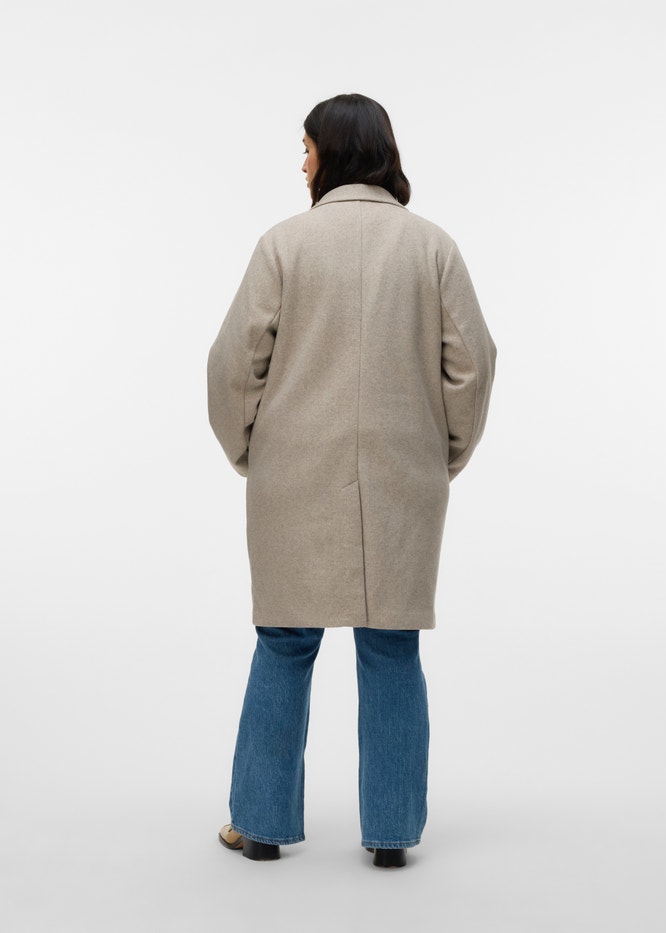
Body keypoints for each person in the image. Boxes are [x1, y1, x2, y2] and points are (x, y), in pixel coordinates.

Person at [207, 93, 496, 868]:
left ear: (332, 153)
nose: (301, 162)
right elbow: (473, 363)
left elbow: (233, 364)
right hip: (405, 474)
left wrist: (247, 449)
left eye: (305, 148)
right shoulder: (432, 247)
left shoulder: (284, 245)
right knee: (392, 647)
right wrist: (444, 454)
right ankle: (392, 834)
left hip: (291, 472)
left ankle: (259, 823)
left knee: (284, 640)